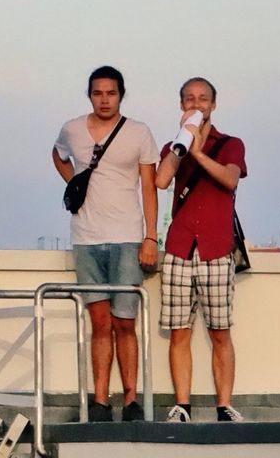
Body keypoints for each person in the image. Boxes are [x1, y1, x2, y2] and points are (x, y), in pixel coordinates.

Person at [53, 66, 159, 422]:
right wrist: (74, 181)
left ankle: (131, 399)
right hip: (86, 238)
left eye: (110, 93)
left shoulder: (139, 132)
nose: (104, 99)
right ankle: (100, 400)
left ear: (121, 95)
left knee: (125, 322)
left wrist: (150, 236)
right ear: (89, 95)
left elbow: (148, 186)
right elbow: (57, 153)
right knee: (98, 322)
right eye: (98, 93)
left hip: (127, 237)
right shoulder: (72, 129)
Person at [155, 76, 247, 424]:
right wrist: (182, 147)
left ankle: (225, 405)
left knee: (219, 330)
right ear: (181, 106)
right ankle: (183, 405)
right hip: (180, 247)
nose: (197, 104)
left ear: (213, 104)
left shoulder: (230, 144)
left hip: (214, 248)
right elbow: (162, 180)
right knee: (179, 331)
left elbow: (230, 179)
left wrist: (197, 152)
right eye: (190, 99)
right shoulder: (173, 146)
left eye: (203, 99)